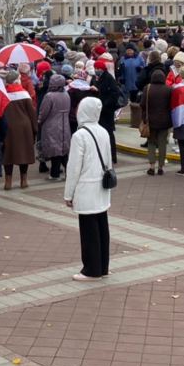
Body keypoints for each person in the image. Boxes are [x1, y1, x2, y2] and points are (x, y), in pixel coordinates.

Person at [64, 97, 113, 280]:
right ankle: (103, 266)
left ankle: (91, 269)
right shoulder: (103, 131)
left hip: (86, 187)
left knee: (88, 229)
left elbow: (74, 168)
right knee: (102, 226)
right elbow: (108, 160)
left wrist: (68, 194)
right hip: (102, 186)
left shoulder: (79, 135)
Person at [0, 71, 38, 190]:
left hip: (9, 127)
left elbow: (0, 113)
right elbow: (32, 114)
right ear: (17, 80)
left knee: (8, 154)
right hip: (24, 127)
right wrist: (35, 129)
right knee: (24, 153)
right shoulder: (24, 94)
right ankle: (23, 180)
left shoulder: (3, 94)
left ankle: (8, 181)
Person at [38, 74, 72, 179]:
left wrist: (39, 120)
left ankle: (55, 173)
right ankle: (69, 172)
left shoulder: (49, 96)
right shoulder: (66, 94)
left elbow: (43, 112)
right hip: (65, 124)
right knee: (63, 149)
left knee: (54, 150)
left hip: (51, 125)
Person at [141, 68, 173, 175]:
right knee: (162, 143)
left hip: (150, 121)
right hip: (165, 121)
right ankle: (161, 167)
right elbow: (171, 106)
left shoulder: (148, 88)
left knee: (151, 143)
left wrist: (144, 118)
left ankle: (151, 166)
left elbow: (142, 104)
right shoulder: (168, 89)